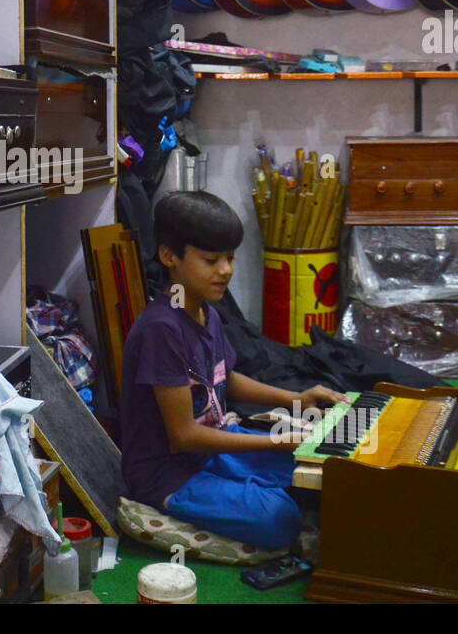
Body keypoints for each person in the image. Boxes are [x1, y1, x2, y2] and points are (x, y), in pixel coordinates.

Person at [120, 190, 347, 550]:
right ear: (168, 256)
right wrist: (276, 439)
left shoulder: (204, 311)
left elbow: (226, 378)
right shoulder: (160, 329)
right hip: (169, 474)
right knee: (280, 518)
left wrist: (296, 399)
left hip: (210, 452)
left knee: (314, 470)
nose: (225, 270)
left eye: (230, 258)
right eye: (211, 260)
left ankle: (243, 488)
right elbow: (184, 436)